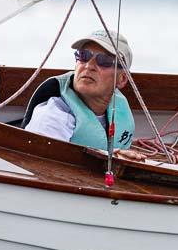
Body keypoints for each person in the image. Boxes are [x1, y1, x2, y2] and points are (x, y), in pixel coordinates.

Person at [25, 30, 145, 161]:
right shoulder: (52, 117)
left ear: (121, 79)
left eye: (104, 61)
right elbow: (40, 168)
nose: (89, 66)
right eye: (84, 56)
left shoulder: (119, 107)